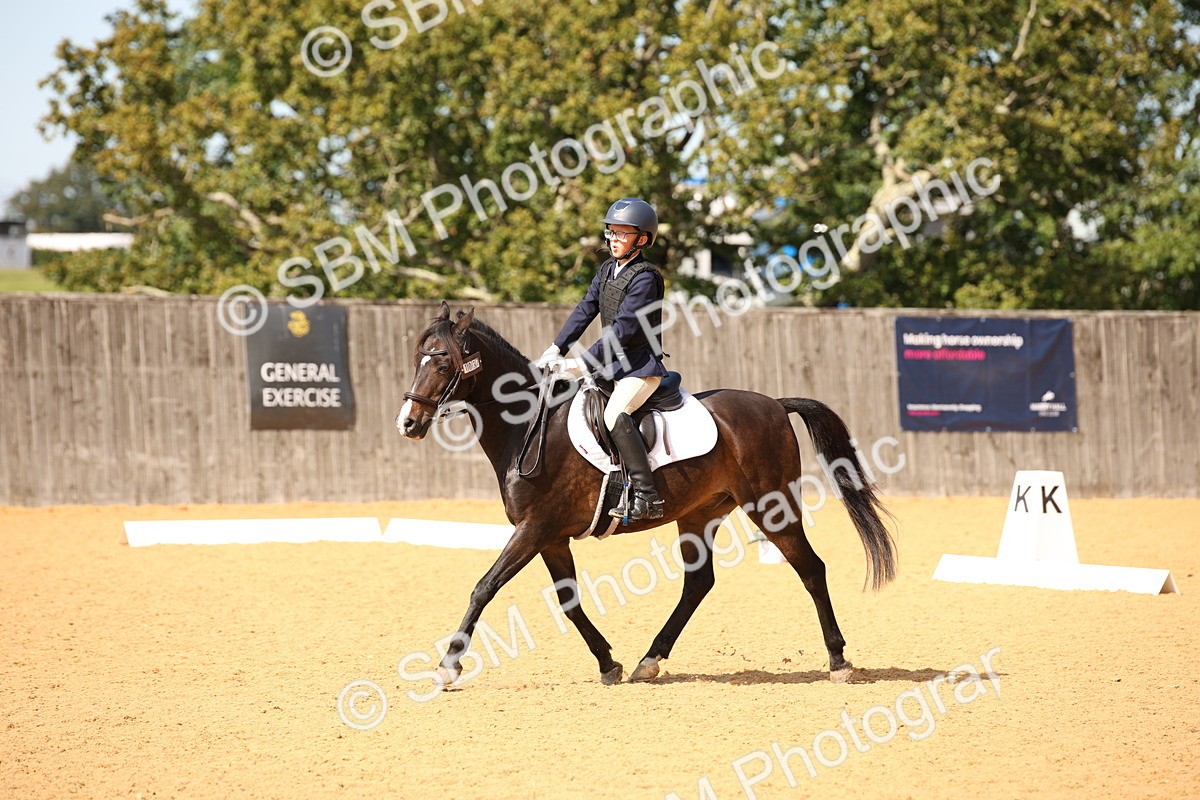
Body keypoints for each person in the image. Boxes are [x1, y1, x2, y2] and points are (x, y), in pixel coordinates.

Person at [535, 198, 667, 521]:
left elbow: (622, 329)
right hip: (612, 367)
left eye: (623, 234)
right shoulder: (607, 269)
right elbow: (585, 309)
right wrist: (557, 348)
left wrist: (583, 364)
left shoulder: (646, 278)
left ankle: (648, 496)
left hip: (639, 368)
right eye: (612, 232)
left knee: (614, 415)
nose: (614, 239)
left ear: (642, 239)